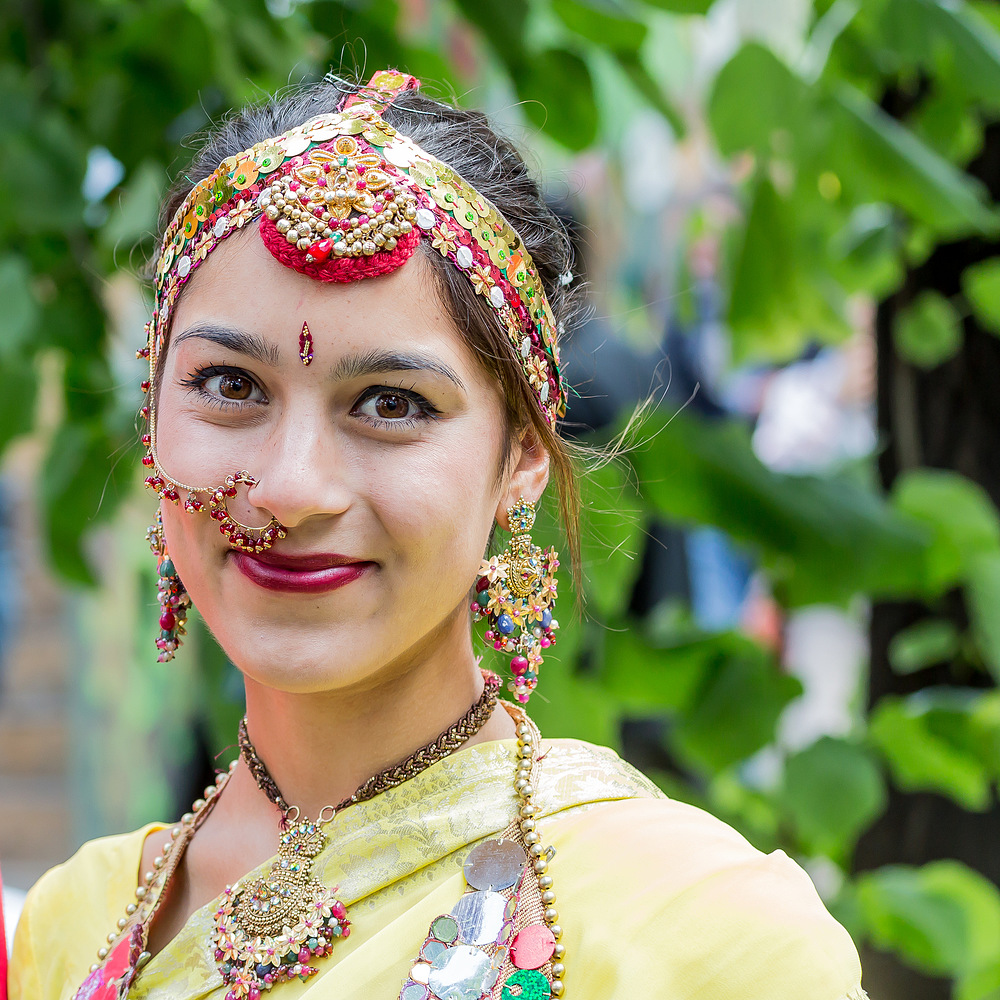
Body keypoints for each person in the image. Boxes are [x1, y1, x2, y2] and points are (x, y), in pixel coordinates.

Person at [8, 70, 868, 1000]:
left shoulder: (699, 937)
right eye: (229, 385)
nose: (292, 489)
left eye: (391, 403)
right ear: (152, 419)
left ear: (524, 459)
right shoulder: (76, 923)